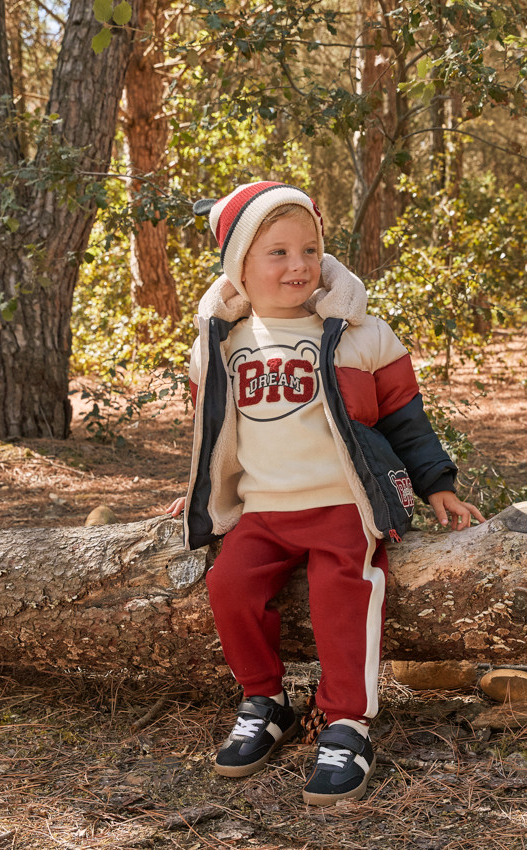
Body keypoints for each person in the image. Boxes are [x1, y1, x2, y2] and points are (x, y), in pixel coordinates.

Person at [167, 181, 483, 806]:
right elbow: (212, 431)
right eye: (278, 252)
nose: (299, 265)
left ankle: (346, 724)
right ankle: (265, 700)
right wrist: (196, 490)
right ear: (239, 265)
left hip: (342, 504)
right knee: (228, 585)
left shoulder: (357, 333)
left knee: (342, 596)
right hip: (264, 511)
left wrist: (438, 485)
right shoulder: (219, 344)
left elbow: (405, 418)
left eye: (309, 249)